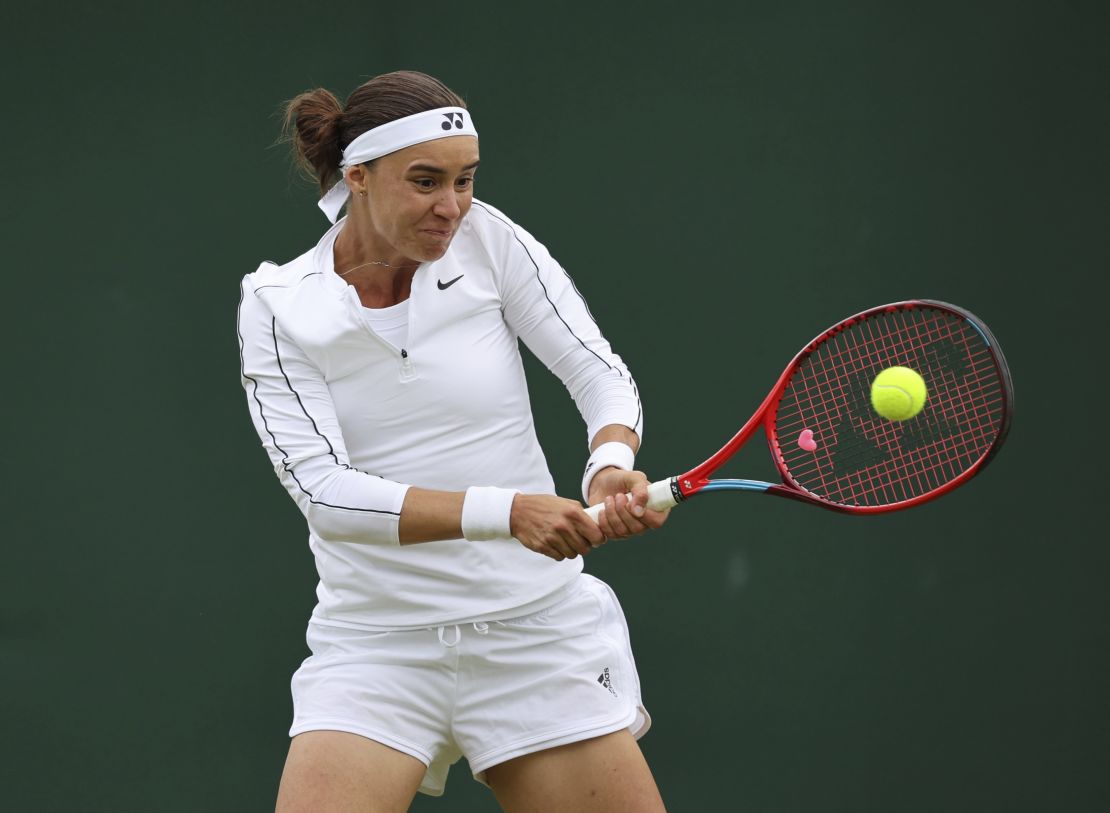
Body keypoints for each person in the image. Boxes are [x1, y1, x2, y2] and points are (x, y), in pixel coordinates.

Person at [237, 70, 670, 812]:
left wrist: (609, 463)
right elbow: (325, 495)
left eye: (466, 180)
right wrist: (508, 511)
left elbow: (597, 371)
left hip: (532, 634)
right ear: (359, 177)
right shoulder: (280, 305)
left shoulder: (489, 242)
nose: (453, 206)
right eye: (427, 181)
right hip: (378, 645)